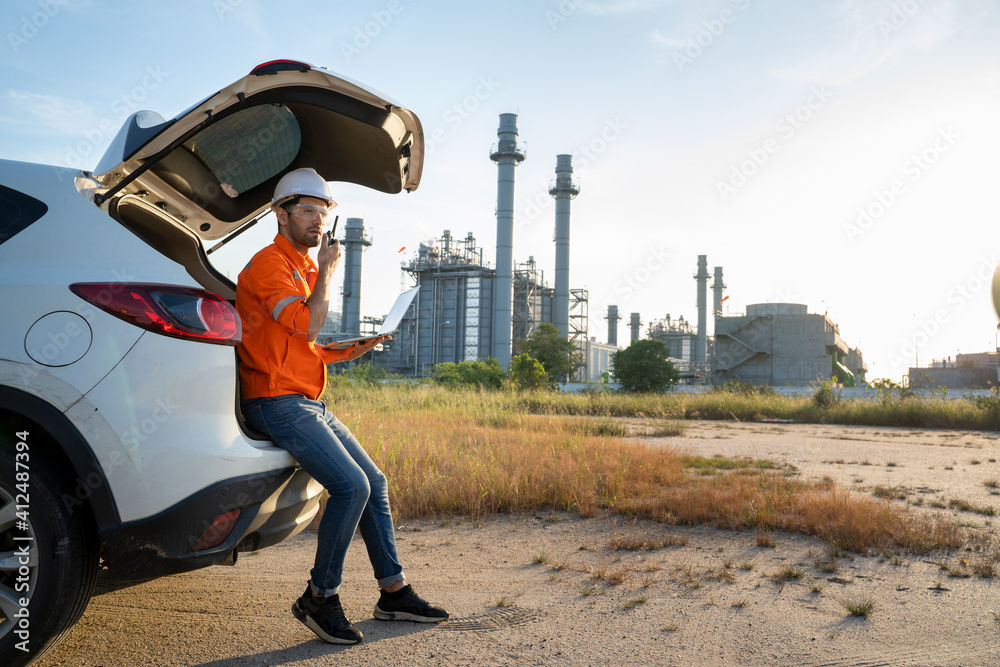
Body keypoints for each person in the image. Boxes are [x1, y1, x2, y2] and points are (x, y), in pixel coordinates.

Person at [236, 167, 448, 645]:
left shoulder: (306, 269)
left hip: (306, 398)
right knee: (350, 486)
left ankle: (393, 592)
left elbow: (306, 344)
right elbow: (306, 327)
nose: (316, 220)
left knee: (374, 482)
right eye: (307, 211)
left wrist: (359, 345)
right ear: (280, 214)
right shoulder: (270, 265)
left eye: (323, 212)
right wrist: (330, 270)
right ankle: (319, 596)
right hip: (274, 400)